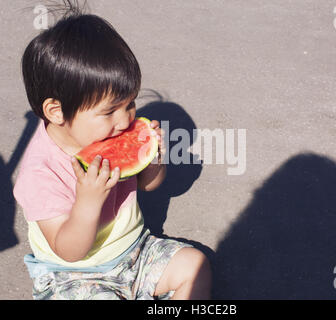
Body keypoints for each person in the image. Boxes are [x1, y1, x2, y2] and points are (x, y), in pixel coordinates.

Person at [13, 7, 211, 300]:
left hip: (136, 251)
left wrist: (152, 156)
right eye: (109, 111)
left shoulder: (112, 132)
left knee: (196, 267)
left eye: (130, 104)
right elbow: (69, 251)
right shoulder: (40, 172)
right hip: (76, 275)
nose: (124, 121)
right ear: (56, 112)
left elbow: (149, 184)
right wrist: (88, 202)